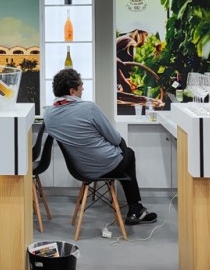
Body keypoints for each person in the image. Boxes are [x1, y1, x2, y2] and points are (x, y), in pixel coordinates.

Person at [44, 68, 157, 225]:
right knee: (128, 153)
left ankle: (135, 209)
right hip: (107, 165)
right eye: (81, 85)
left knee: (122, 154)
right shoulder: (88, 108)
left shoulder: (48, 114)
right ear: (72, 91)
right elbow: (115, 138)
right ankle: (135, 209)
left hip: (80, 170)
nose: (83, 88)